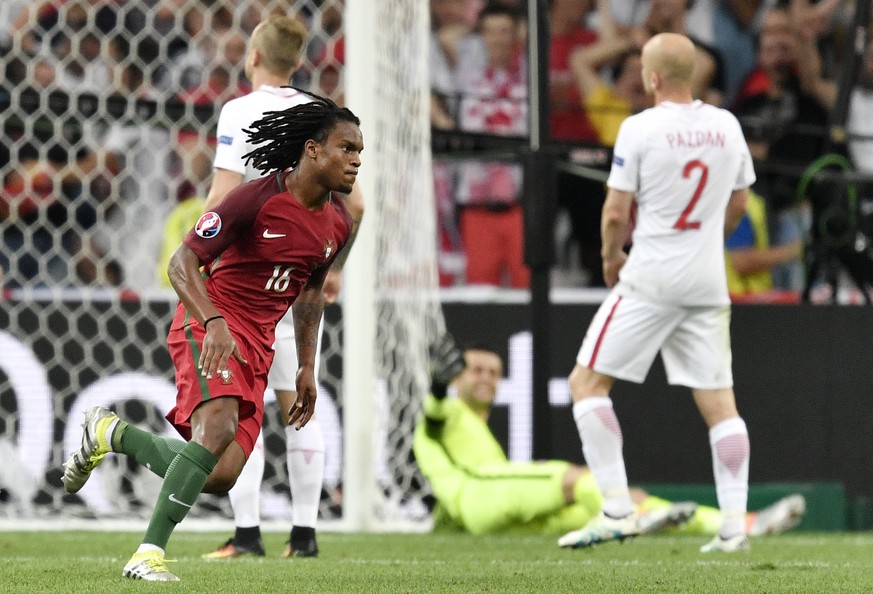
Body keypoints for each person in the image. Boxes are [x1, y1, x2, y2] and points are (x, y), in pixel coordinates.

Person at [61, 94, 362, 581]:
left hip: (260, 344)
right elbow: (181, 263)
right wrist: (215, 322)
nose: (355, 161)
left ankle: (109, 433)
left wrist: (307, 365)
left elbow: (310, 293)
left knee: (221, 475)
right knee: (217, 428)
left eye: (359, 153)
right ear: (311, 149)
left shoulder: (338, 223)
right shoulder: (255, 198)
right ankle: (147, 554)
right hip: (209, 321)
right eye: (346, 148)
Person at [559, 33, 756, 554]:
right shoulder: (726, 125)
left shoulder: (639, 128)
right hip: (707, 280)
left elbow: (615, 211)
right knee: (721, 406)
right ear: (693, 74)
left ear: (651, 77)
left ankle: (618, 510)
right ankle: (734, 526)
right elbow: (739, 200)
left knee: (586, 384)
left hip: (651, 276)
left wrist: (610, 258)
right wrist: (709, 240)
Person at [198, 15, 364, 561]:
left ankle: (247, 535)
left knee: (245, 408)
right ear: (299, 61)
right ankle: (305, 535)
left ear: (252, 57)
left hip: (248, 279)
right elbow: (355, 206)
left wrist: (201, 260)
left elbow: (225, 197)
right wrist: (330, 264)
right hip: (298, 271)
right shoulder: (323, 118)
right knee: (298, 403)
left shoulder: (241, 111)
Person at [414, 336, 806, 537]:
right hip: (484, 495)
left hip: (491, 517)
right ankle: (635, 516)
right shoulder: (448, 411)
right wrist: (436, 387)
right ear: (457, 376)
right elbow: (431, 419)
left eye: (493, 372)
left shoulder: (476, 430)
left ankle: (736, 524)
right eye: (476, 370)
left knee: (604, 505)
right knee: (580, 480)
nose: (485, 378)